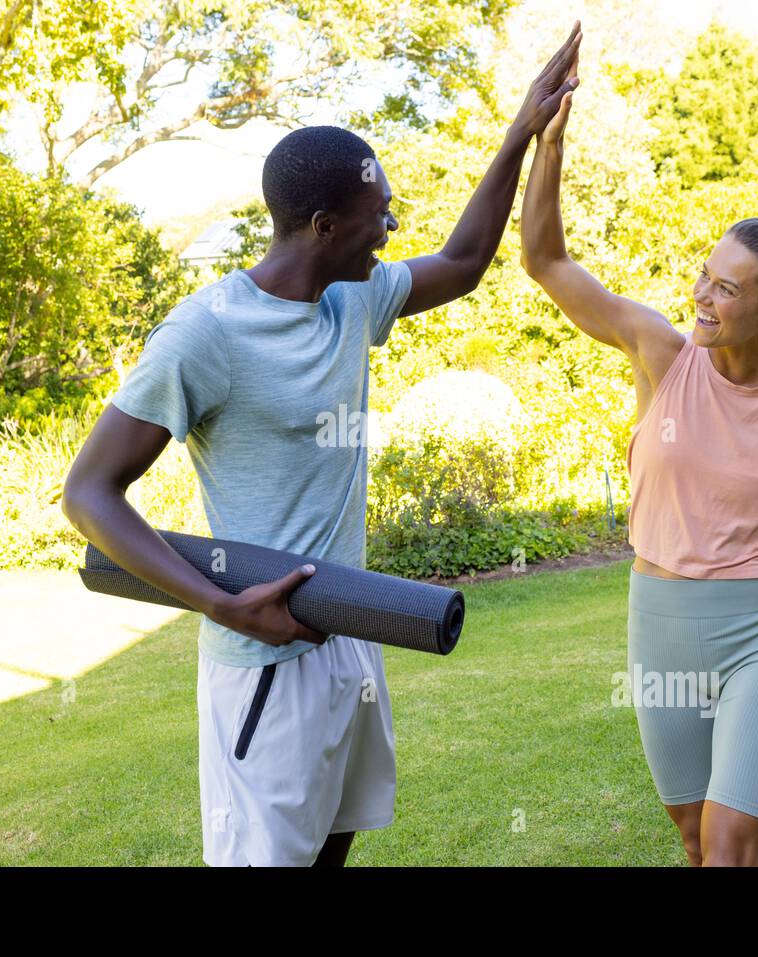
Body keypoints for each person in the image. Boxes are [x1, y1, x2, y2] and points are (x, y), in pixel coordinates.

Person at [61, 24, 583, 867]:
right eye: (380, 217)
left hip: (351, 632)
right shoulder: (207, 334)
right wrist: (220, 602)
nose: (390, 230)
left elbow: (465, 258)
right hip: (262, 658)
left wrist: (522, 131)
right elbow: (88, 493)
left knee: (335, 850)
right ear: (322, 224)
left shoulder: (352, 300)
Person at [520, 79, 758, 866]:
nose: (702, 297)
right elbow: (545, 260)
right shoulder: (660, 352)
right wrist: (551, 141)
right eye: (705, 276)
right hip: (659, 626)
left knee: (731, 840)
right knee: (692, 838)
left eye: (726, 289)